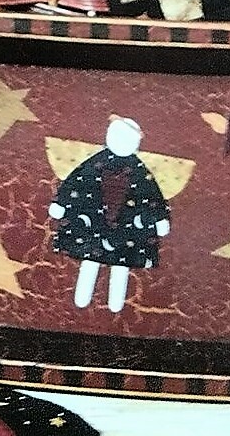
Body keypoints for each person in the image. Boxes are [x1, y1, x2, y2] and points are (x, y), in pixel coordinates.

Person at [48, 115, 170, 312]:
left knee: (121, 264)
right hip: (95, 219)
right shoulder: (95, 163)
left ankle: (115, 303)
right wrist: (60, 202)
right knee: (90, 259)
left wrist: (160, 218)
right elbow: (76, 181)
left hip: (127, 225)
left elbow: (152, 194)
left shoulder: (140, 171)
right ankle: (83, 296)